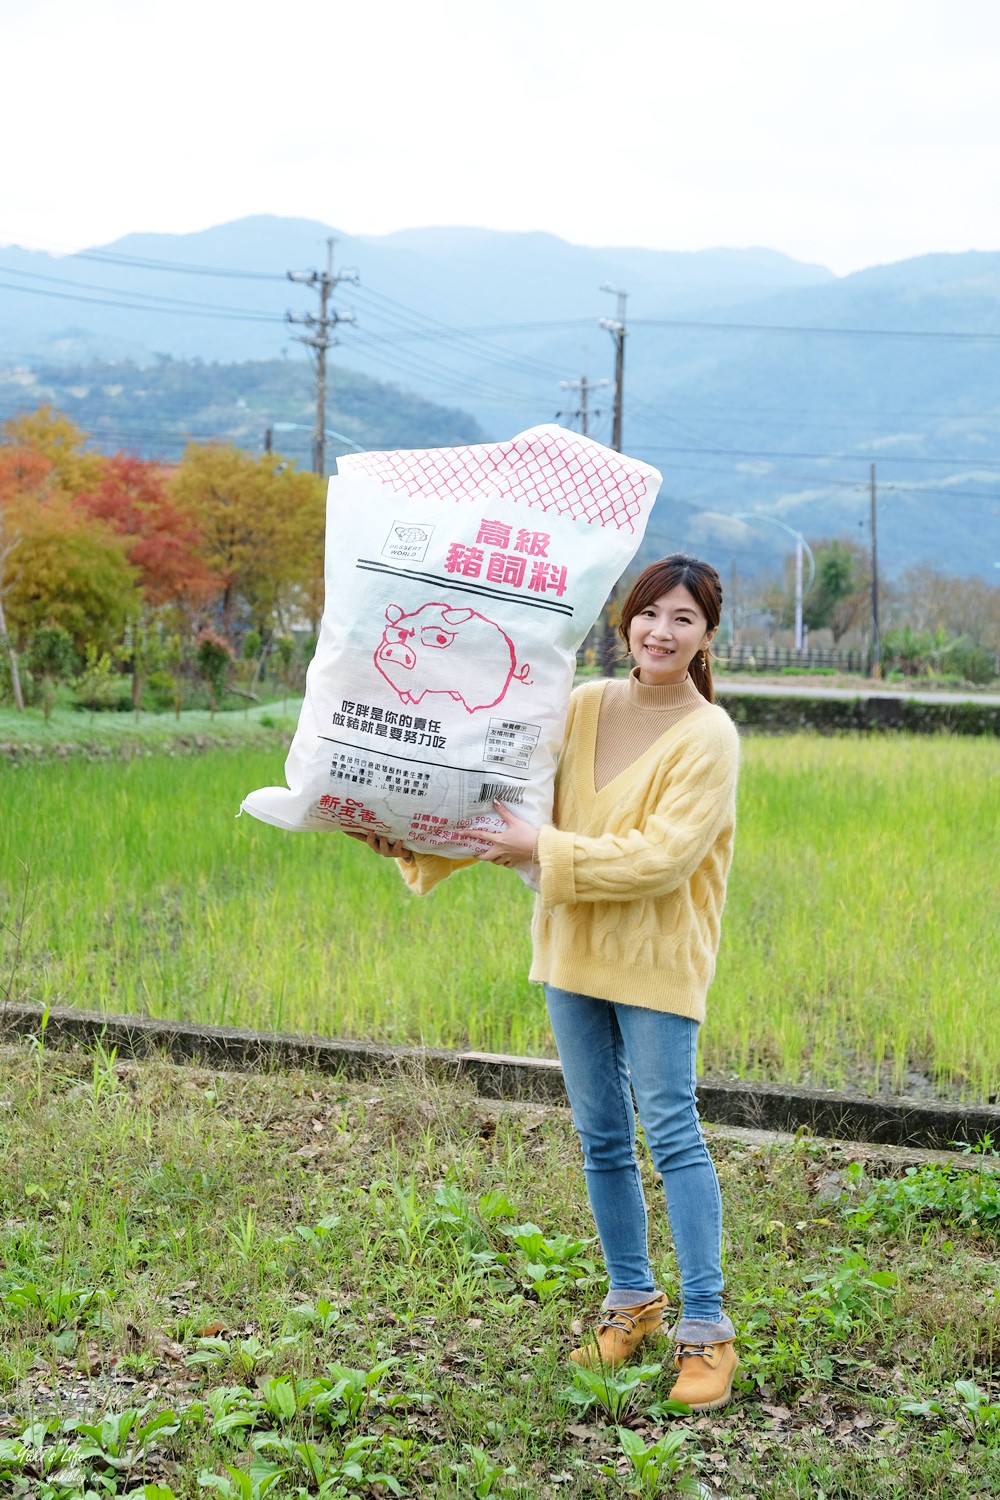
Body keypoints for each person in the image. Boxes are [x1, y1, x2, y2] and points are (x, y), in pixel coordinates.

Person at [348, 554, 741, 1413]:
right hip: (571, 951)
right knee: (602, 1137)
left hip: (656, 959)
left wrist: (542, 850)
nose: (661, 632)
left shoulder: (710, 736)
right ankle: (631, 1303)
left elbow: (661, 858)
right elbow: (507, 802)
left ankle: (707, 1331)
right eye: (649, 614)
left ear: (708, 636)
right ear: (625, 622)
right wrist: (413, 837)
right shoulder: (584, 704)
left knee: (672, 1134)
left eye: (682, 619)